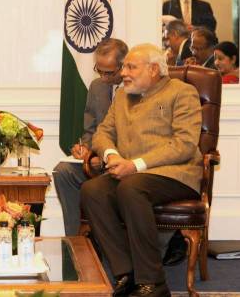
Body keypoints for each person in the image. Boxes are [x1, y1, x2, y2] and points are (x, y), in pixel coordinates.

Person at [81, 44, 202, 297]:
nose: (123, 72)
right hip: (130, 173)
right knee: (92, 190)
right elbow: (103, 133)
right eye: (124, 66)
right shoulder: (123, 96)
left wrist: (135, 165)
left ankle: (154, 283)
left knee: (131, 188)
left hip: (174, 173)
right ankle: (126, 274)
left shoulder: (182, 93)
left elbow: (185, 144)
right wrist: (111, 155)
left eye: (131, 67)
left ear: (154, 69)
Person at [53, 38, 128, 236]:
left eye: (109, 72)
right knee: (63, 172)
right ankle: (75, 240)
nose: (103, 77)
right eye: (99, 69)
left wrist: (102, 157)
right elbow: (90, 130)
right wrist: (85, 149)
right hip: (97, 160)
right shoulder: (97, 87)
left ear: (123, 66)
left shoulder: (137, 89)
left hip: (124, 162)